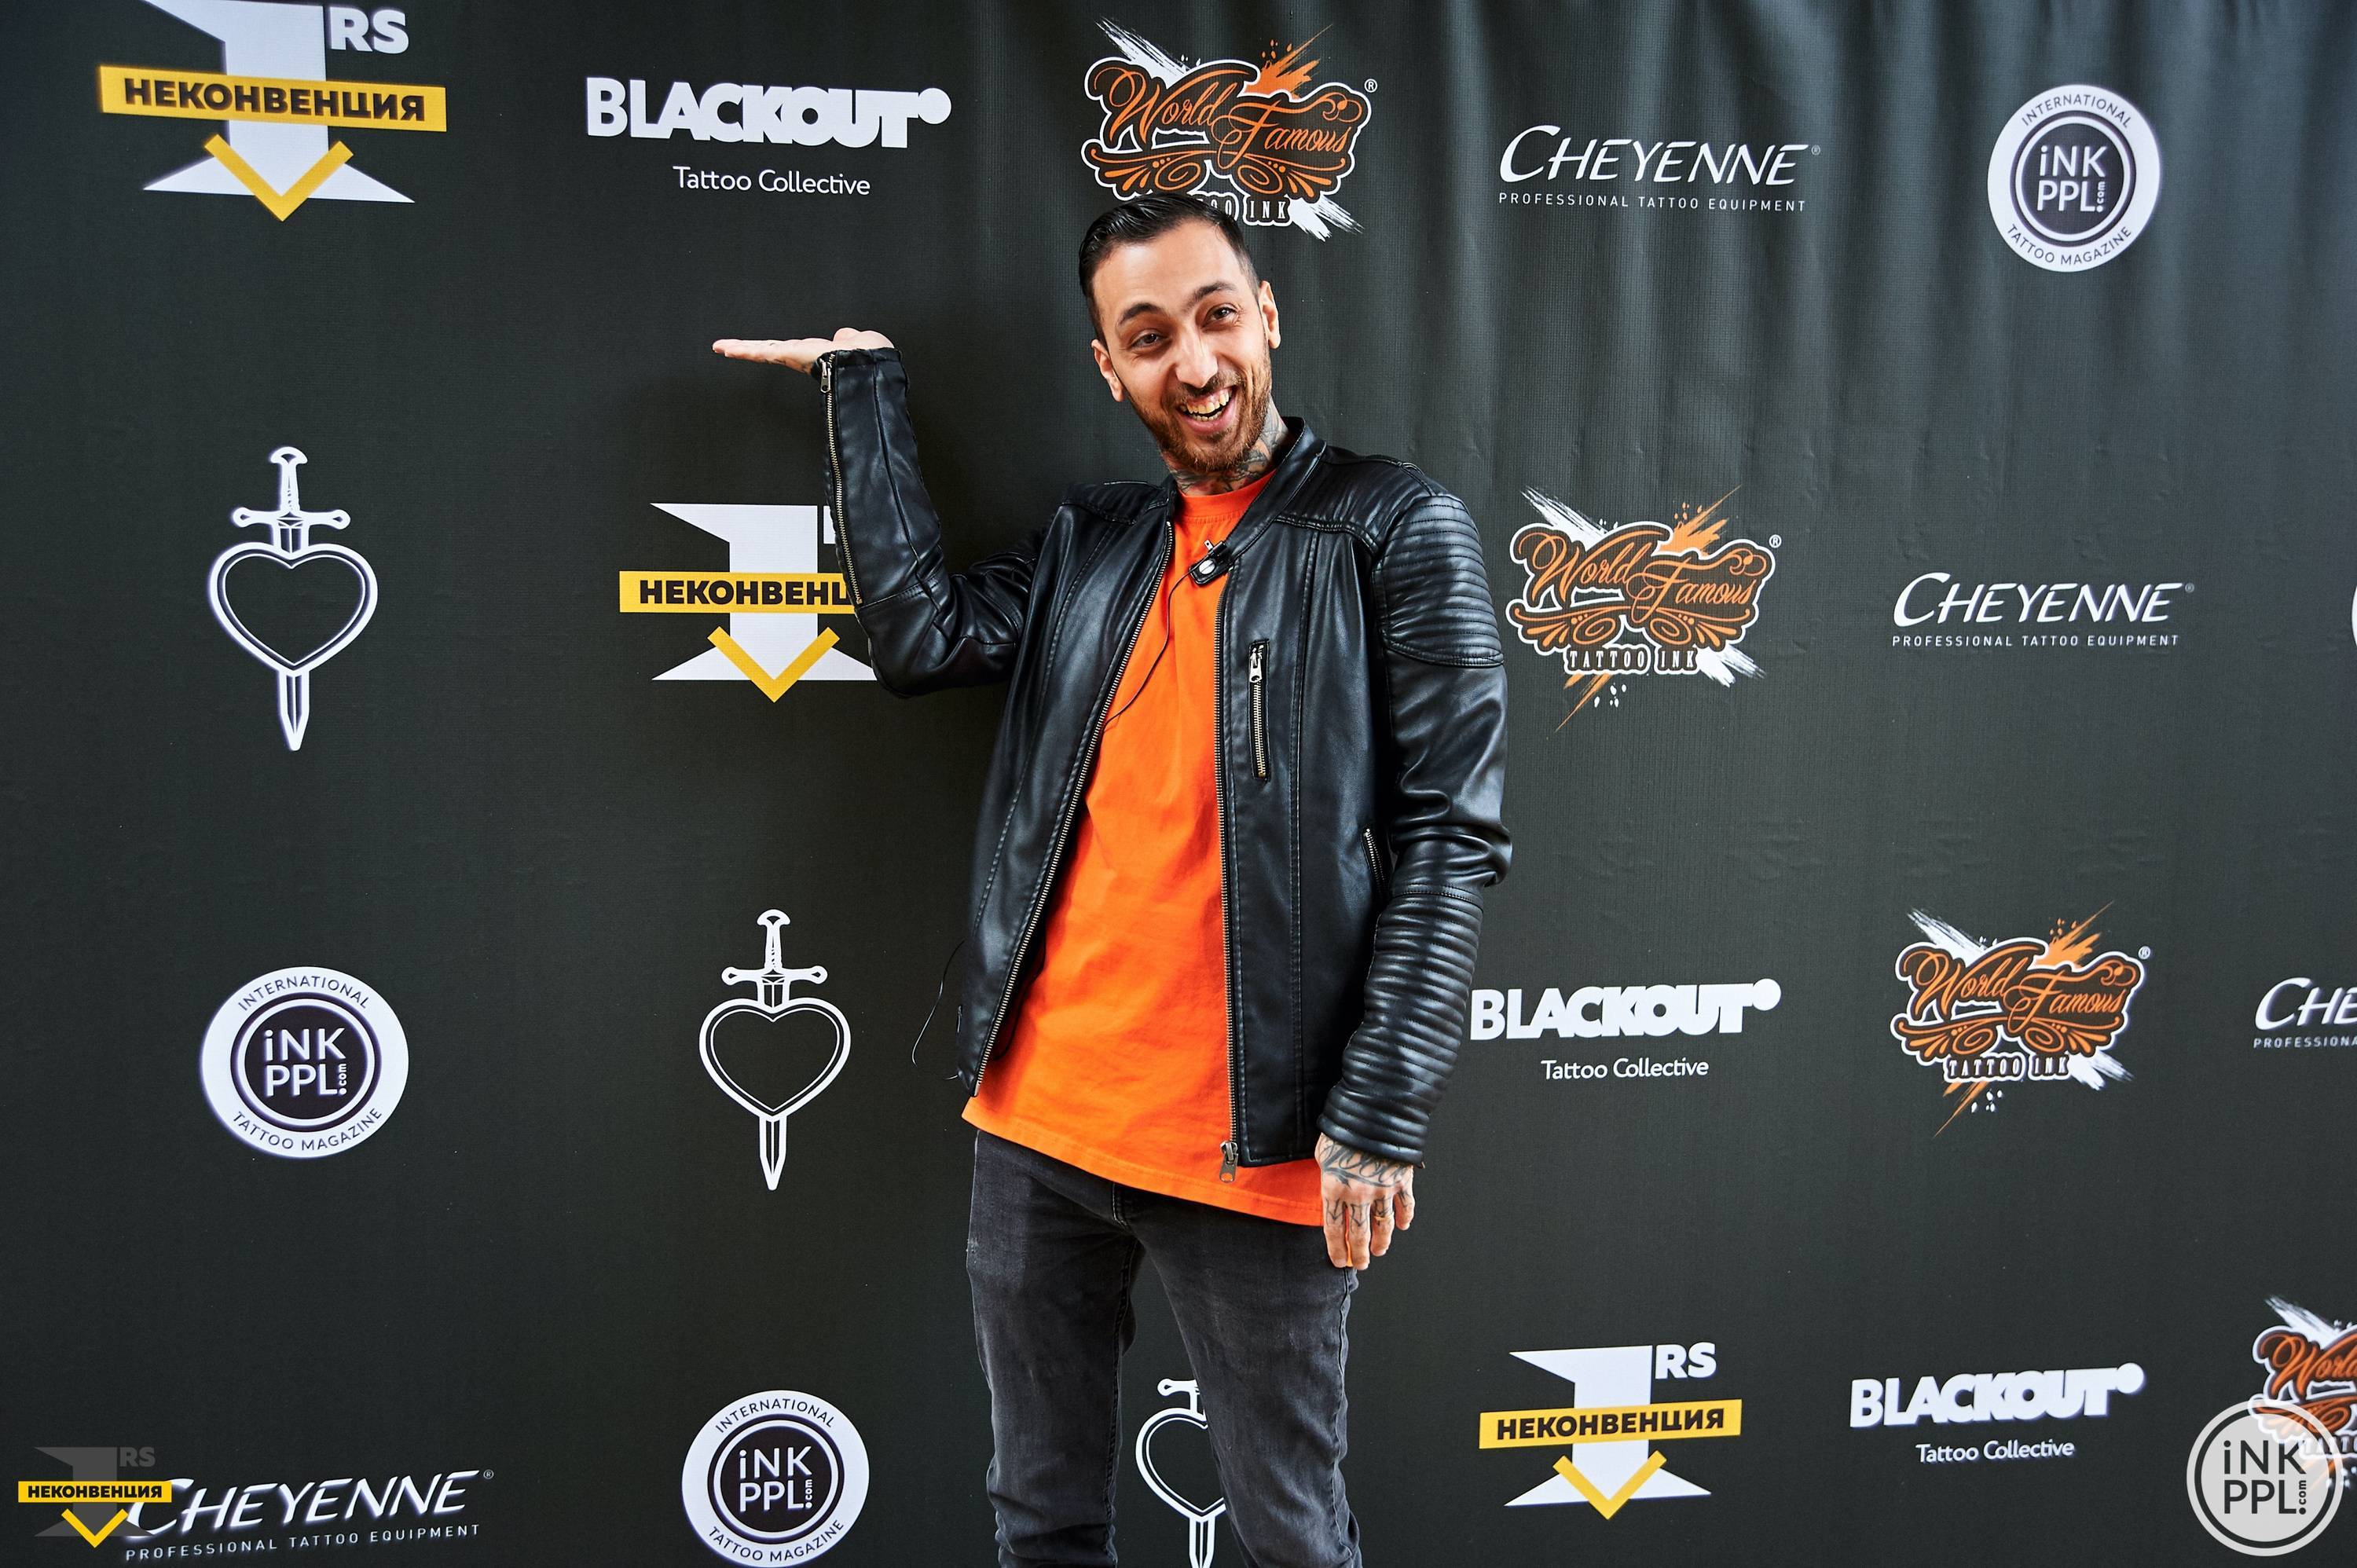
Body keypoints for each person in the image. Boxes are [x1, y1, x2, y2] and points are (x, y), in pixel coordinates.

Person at [713, 192, 1508, 1568]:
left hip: (1257, 1152)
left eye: (1215, 317)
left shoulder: (1393, 526)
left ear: (1267, 314)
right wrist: (863, 395)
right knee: (1043, 1521)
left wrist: (1382, 1108)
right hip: (1039, 1127)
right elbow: (919, 640)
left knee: (1290, 1538)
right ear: (1107, 365)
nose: (1193, 363)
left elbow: (1453, 830)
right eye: (1148, 337)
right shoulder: (1095, 539)